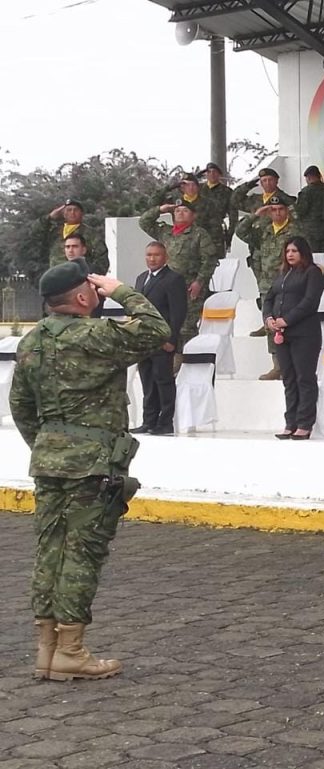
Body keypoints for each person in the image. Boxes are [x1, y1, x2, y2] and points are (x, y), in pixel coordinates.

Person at [9, 261, 171, 681]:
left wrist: (51, 446)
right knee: (82, 553)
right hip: (94, 463)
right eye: (91, 288)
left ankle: (47, 649)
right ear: (82, 297)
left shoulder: (32, 341)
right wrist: (121, 291)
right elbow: (157, 330)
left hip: (49, 460)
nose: (96, 292)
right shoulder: (97, 335)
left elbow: (21, 407)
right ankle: (72, 651)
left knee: (50, 551)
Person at [235, 194, 305, 380]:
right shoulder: (263, 229)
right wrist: (257, 214)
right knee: (271, 325)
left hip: (291, 284)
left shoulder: (296, 231)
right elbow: (240, 232)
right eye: (273, 210)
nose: (277, 213)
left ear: (287, 210)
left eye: (281, 209)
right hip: (268, 285)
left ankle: (293, 365)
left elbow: (304, 257)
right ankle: (277, 366)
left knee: (291, 324)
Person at [263, 237, 324, 440]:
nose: (290, 254)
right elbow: (269, 298)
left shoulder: (312, 273)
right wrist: (269, 318)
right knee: (289, 379)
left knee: (304, 378)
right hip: (283, 335)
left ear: (303, 253)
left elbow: (310, 302)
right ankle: (290, 422)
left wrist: (286, 320)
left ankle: (305, 423)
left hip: (304, 334)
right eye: (288, 251)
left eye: (295, 251)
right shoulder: (283, 274)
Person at [138, 197, 219, 354]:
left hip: (189, 285)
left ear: (193, 215)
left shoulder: (199, 234)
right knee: (167, 322)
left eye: (185, 211)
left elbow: (209, 260)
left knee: (186, 325)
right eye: (177, 211)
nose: (180, 213)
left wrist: (199, 282)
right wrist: (161, 209)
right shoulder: (165, 232)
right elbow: (144, 222)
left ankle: (188, 358)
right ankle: (173, 357)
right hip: (165, 284)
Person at [130, 242, 188, 436]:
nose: (152, 259)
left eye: (156, 255)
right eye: (148, 255)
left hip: (162, 340)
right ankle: (149, 421)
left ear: (165, 257)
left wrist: (171, 338)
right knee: (147, 381)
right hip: (143, 340)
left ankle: (165, 422)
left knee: (163, 381)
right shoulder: (141, 279)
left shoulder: (173, 279)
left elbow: (178, 312)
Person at [40, 199, 109, 274]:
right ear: (64, 214)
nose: (72, 213)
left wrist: (88, 274)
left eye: (76, 210)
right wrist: (49, 217)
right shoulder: (54, 232)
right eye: (69, 210)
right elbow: (33, 235)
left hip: (79, 279)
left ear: (82, 213)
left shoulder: (90, 233)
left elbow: (102, 258)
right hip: (56, 277)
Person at [295, 165, 324, 280]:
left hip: (310, 231)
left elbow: (300, 211)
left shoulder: (306, 192)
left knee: (309, 257)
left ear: (308, 178)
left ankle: (312, 282)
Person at [198, 161, 237, 253]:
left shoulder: (227, 192)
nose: (212, 174)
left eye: (214, 172)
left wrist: (230, 234)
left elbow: (233, 214)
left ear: (219, 174)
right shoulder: (198, 189)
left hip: (216, 231)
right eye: (209, 172)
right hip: (198, 229)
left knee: (216, 260)